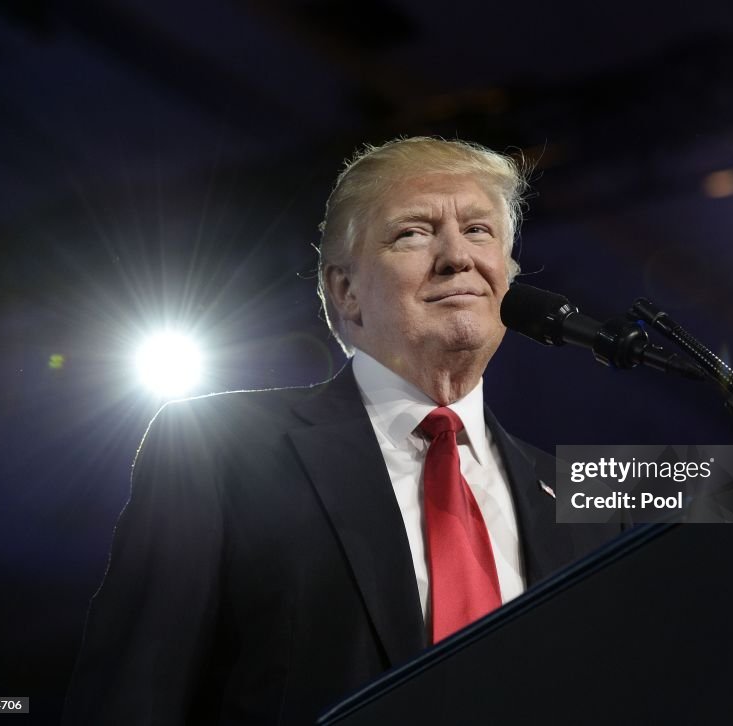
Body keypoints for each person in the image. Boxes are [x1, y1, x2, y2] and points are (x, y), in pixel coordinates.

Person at [64, 137, 620, 724]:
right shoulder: (217, 447)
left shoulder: (584, 498)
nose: (458, 256)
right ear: (346, 292)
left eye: (480, 231)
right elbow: (133, 695)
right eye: (414, 232)